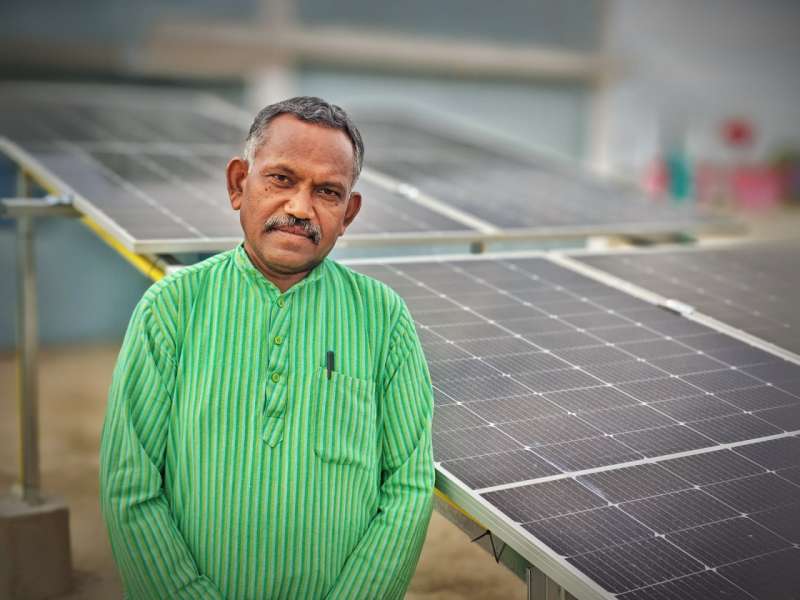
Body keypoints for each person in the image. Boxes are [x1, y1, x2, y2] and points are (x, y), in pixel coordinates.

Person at [99, 97, 435, 600]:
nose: (300, 208)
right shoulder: (171, 308)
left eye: (327, 191)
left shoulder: (383, 318)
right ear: (239, 184)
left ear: (348, 213)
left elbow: (409, 485)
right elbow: (130, 484)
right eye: (281, 179)